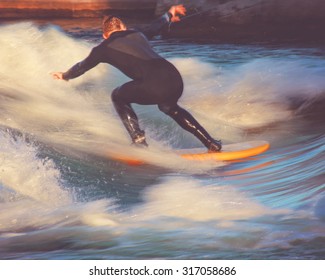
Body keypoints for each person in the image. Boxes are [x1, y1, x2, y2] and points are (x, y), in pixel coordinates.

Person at [52, 5, 222, 152]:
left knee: (117, 96)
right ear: (124, 27)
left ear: (105, 35)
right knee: (170, 107)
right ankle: (211, 143)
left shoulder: (101, 49)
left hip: (154, 84)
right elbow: (157, 25)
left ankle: (138, 140)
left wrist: (65, 75)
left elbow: (82, 66)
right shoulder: (138, 33)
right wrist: (170, 13)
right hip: (175, 78)